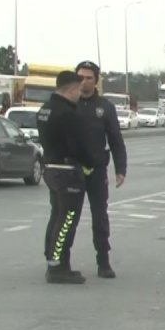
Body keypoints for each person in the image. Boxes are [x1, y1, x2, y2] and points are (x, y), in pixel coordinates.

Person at [37, 71, 101, 285]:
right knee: (67, 221)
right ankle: (58, 266)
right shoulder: (67, 113)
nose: (79, 95)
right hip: (67, 170)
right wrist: (91, 162)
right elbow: (77, 146)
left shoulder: (45, 109)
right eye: (78, 90)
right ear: (71, 89)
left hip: (50, 167)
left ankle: (53, 260)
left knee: (56, 216)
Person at [72, 61, 128, 279]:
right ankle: (59, 259)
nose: (83, 81)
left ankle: (103, 261)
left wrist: (120, 168)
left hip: (96, 171)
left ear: (96, 81)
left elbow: (115, 140)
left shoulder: (105, 107)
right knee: (67, 217)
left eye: (88, 78)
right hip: (71, 171)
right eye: (80, 77)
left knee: (100, 216)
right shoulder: (69, 103)